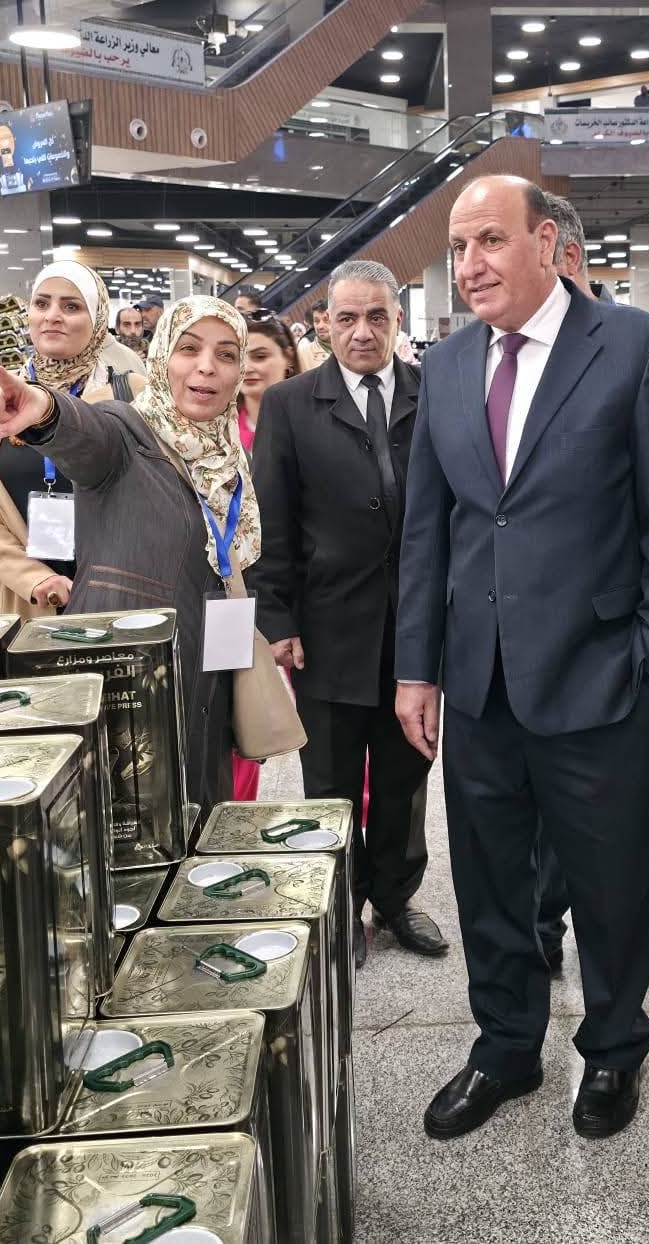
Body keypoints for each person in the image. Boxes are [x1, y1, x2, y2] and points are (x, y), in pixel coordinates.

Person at [395, 174, 649, 1142]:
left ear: (548, 244)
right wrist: (416, 668)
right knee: (490, 881)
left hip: (602, 675)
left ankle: (613, 1047)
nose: (470, 264)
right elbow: (429, 529)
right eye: (458, 247)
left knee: (610, 883)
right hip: (479, 679)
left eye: (489, 240)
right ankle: (505, 1047)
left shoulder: (640, 349)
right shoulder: (447, 365)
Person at [0, 296, 258, 813]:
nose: (207, 367)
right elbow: (85, 434)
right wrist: (44, 409)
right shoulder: (127, 433)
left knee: (199, 813)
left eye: (226, 354)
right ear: (161, 356)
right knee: (129, 823)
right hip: (130, 685)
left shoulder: (229, 458)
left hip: (205, 676)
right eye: (189, 349)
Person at [248, 260, 446, 969]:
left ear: (398, 320)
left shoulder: (433, 393)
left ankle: (394, 896)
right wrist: (277, 617)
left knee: (404, 775)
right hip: (326, 627)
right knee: (330, 781)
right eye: (348, 318)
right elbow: (272, 519)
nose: (363, 331)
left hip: (413, 628)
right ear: (325, 324)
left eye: (377, 317)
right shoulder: (291, 403)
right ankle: (340, 905)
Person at [0, 263, 144, 618]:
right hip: (24, 602)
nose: (52, 316)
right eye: (41, 304)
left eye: (71, 306)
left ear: (97, 319)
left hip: (117, 596)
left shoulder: (133, 394)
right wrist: (33, 578)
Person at [231, 310, 300, 802]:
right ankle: (238, 809)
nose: (249, 368)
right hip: (232, 591)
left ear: (287, 360)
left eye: (260, 356)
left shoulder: (306, 423)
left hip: (292, 590)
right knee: (240, 713)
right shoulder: (215, 430)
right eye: (241, 357)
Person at [237, 312, 299, 452]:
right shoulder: (219, 431)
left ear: (288, 357)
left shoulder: (318, 422)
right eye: (237, 358)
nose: (246, 368)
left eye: (260, 356)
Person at [297, 299, 332, 371]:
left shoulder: (351, 344)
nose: (320, 326)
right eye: (317, 321)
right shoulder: (304, 355)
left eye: (326, 320)